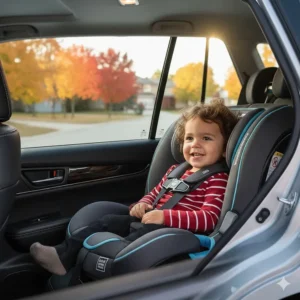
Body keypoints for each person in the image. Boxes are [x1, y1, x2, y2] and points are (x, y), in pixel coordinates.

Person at [30, 99, 239, 276]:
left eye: (206, 138)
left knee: (133, 239)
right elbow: (155, 195)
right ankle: (62, 256)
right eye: (190, 138)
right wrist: (142, 204)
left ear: (224, 149)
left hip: (172, 232)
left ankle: (100, 272)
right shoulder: (176, 170)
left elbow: (209, 218)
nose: (195, 144)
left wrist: (165, 217)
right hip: (150, 220)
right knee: (107, 221)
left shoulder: (217, 179)